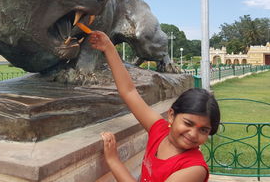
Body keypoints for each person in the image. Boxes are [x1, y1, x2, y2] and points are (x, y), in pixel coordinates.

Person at [89, 31, 220, 182]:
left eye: (203, 130)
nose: (193, 134)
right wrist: (109, 48)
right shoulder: (160, 131)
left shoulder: (193, 169)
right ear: (171, 115)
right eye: (188, 123)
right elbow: (129, 92)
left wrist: (113, 161)